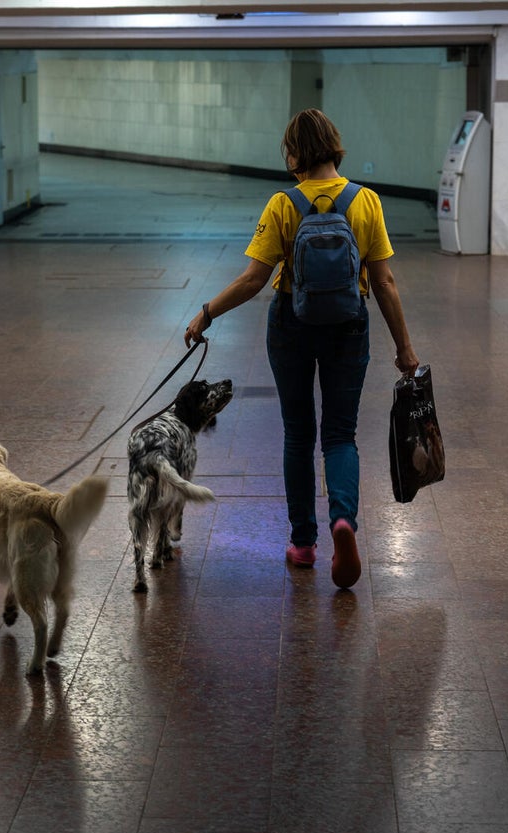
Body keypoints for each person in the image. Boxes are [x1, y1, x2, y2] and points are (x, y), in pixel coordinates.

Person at [184, 108, 419, 589]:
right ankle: (344, 523)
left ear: (294, 153)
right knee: (339, 434)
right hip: (349, 324)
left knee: (297, 432)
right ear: (334, 145)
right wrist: (405, 349)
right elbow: (385, 280)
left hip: (291, 322)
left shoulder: (283, 204)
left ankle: (304, 544)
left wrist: (207, 313)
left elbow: (254, 279)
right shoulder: (366, 201)